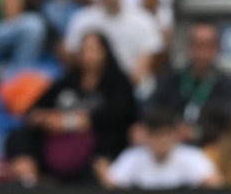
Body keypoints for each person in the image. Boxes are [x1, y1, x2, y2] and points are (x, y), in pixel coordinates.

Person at [9, 31, 137, 183]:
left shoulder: (118, 82)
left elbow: (119, 115)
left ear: (106, 53)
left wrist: (70, 122)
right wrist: (47, 119)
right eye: (85, 50)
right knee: (19, 135)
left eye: (95, 50)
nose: (89, 55)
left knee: (109, 141)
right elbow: (33, 111)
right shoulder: (67, 81)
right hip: (57, 144)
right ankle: (28, 180)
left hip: (96, 148)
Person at [62, 0, 163, 95]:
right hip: (94, 87)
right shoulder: (83, 19)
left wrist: (120, 89)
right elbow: (74, 58)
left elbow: (144, 64)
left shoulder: (142, 20)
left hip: (132, 87)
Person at [100, 106, 223, 188]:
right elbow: (113, 185)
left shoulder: (191, 156)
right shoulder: (133, 157)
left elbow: (216, 183)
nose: (162, 140)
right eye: (156, 135)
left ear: (175, 135)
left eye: (167, 134)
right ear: (147, 136)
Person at [152, 23, 231, 137]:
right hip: (172, 145)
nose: (202, 52)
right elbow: (153, 110)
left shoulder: (230, 85)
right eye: (197, 45)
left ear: (217, 48)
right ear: (189, 47)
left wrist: (198, 131)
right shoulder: (170, 80)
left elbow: (228, 119)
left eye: (207, 45)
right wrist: (174, 127)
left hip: (212, 147)